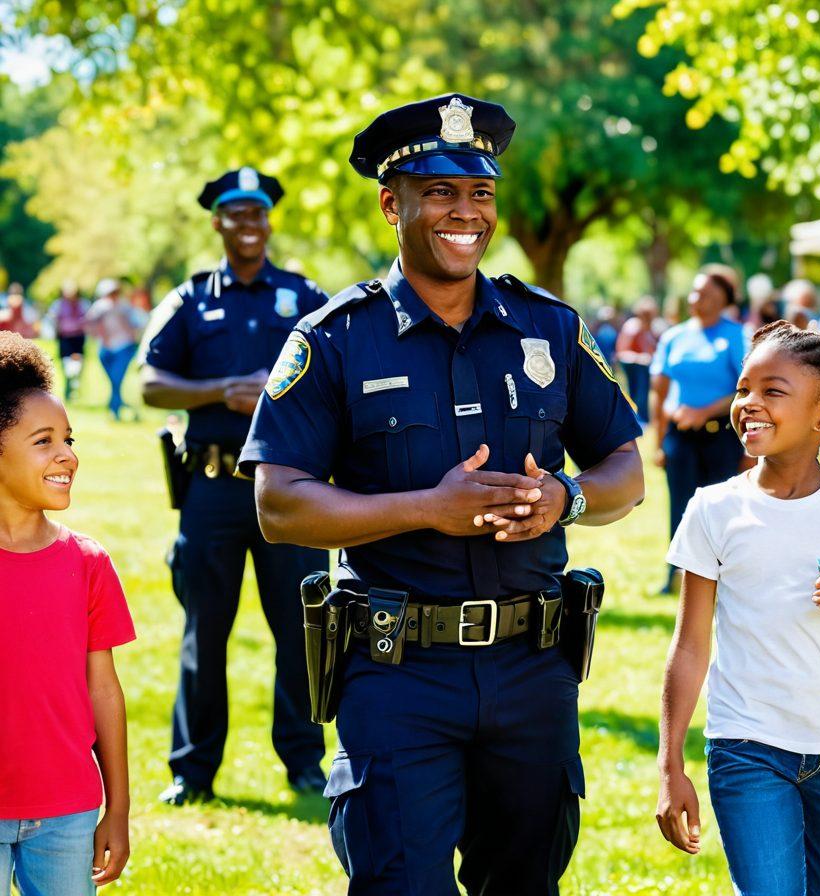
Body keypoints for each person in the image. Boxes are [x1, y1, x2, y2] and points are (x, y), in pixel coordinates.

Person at [237, 94, 645, 895]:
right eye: (441, 192)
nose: (466, 213)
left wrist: (566, 497)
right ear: (394, 204)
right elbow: (278, 505)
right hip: (397, 674)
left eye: (481, 194)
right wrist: (427, 505)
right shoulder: (334, 338)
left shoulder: (549, 329)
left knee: (525, 883)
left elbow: (626, 471)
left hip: (533, 668)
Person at [656, 320, 820, 896]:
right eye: (744, 388)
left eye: (773, 391)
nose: (748, 403)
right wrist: (669, 763)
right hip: (747, 747)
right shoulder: (712, 509)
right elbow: (690, 645)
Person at [139, 168, 329, 805]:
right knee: (205, 631)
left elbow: (340, 377)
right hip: (212, 489)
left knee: (302, 631)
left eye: (258, 214)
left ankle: (305, 763)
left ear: (269, 222)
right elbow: (150, 383)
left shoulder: (306, 296)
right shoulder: (190, 300)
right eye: (235, 214)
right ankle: (192, 772)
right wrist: (220, 390)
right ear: (217, 222)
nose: (248, 224)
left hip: (291, 489)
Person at [0, 333, 135, 893]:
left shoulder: (88, 563)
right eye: (43, 440)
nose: (67, 455)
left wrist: (119, 809)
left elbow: (104, 689)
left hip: (68, 814)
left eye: (68, 439)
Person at [650, 264, 748, 593]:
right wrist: (659, 440)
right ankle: (674, 576)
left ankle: (720, 578)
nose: (696, 298)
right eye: (694, 291)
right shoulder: (674, 337)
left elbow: (745, 388)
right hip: (680, 436)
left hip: (720, 436)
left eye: (705, 293)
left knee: (719, 509)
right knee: (680, 505)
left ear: (724, 298)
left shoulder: (736, 336)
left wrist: (705, 411)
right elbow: (659, 390)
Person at [86, 278, 145, 422]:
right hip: (105, 349)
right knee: (114, 381)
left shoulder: (125, 307)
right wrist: (98, 334)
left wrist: (131, 334)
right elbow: (89, 323)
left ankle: (115, 409)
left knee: (117, 379)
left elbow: (138, 324)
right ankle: (123, 406)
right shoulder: (99, 307)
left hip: (123, 347)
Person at [615, 296, 660, 424]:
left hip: (644, 366)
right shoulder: (632, 327)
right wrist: (640, 358)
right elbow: (622, 353)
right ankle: (637, 418)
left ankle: (644, 417)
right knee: (638, 388)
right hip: (632, 366)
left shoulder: (649, 329)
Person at [45, 281, 90, 402]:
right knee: (66, 364)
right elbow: (52, 318)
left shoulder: (83, 304)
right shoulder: (59, 304)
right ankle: (69, 387)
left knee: (77, 363)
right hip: (65, 337)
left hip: (78, 337)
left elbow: (88, 318)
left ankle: (74, 383)